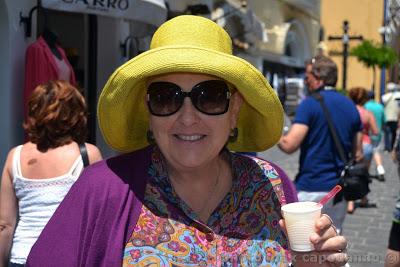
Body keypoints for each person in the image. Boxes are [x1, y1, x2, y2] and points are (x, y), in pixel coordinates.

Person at [26, 16, 348, 267]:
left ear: (234, 110)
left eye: (209, 97)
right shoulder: (102, 189)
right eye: (167, 97)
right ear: (148, 111)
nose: (188, 117)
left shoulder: (272, 186)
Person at [0, 80, 102, 266]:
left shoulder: (15, 156)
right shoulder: (87, 155)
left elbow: (4, 224)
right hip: (67, 257)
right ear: (75, 114)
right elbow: (99, 218)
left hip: (21, 257)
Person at [278, 55, 363, 233]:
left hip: (310, 187)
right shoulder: (350, 106)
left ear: (318, 78)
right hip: (338, 189)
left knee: (304, 242)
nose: (306, 81)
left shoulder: (309, 105)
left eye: (308, 76)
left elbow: (289, 145)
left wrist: (273, 131)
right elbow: (358, 153)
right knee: (332, 239)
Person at [347, 87, 379, 213]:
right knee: (363, 173)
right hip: (366, 145)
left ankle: (350, 202)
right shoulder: (367, 113)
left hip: (351, 144)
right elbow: (375, 131)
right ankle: (364, 198)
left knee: (351, 172)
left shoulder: (349, 111)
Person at [364, 91, 386, 181]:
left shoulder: (365, 106)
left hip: (367, 134)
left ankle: (365, 173)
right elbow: (384, 120)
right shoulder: (380, 106)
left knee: (367, 153)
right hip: (378, 134)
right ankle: (380, 169)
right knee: (376, 151)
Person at [382, 82, 400, 152]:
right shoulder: (398, 95)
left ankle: (387, 147)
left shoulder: (385, 96)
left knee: (387, 133)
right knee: (394, 133)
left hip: (387, 117)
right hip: (395, 117)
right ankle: (392, 146)